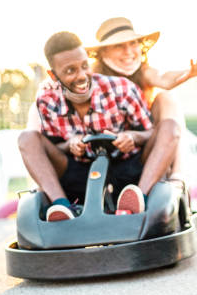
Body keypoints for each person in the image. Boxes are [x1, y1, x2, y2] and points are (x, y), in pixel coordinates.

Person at [18, 32, 179, 221]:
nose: (82, 76)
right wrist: (70, 144)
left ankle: (137, 200)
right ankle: (62, 207)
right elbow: (53, 149)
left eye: (84, 66)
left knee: (170, 127)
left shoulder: (122, 88)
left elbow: (150, 133)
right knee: (26, 138)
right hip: (79, 176)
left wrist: (133, 137)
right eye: (70, 71)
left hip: (130, 170)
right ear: (53, 75)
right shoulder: (47, 102)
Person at [85, 17, 197, 184]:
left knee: (166, 98)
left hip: (146, 143)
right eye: (119, 46)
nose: (128, 51)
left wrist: (188, 73)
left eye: (133, 43)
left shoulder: (143, 72)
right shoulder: (93, 80)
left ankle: (177, 174)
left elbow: (164, 79)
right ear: (103, 52)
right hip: (109, 148)